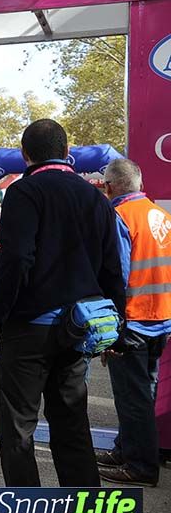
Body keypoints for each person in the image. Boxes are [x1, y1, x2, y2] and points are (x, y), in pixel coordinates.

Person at [0, 119, 124, 513]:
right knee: (72, 428)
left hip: (29, 330)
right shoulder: (96, 197)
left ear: (26, 156)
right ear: (67, 152)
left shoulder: (24, 192)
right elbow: (113, 268)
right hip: (80, 331)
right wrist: (113, 327)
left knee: (17, 430)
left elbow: (17, 259)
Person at [98, 158, 171, 487]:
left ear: (110, 186)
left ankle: (140, 466)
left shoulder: (120, 216)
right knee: (145, 392)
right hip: (160, 319)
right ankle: (125, 449)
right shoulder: (161, 216)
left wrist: (111, 331)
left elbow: (118, 276)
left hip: (133, 322)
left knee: (132, 397)